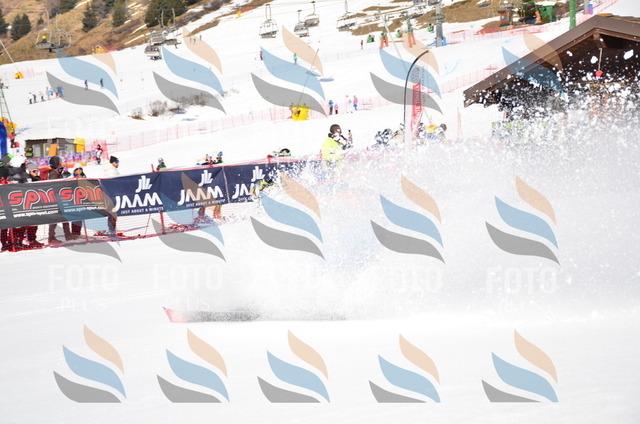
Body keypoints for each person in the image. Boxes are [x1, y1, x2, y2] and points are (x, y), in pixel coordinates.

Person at [46, 156, 71, 244]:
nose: (61, 164)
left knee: (65, 216)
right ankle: (51, 237)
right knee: (55, 218)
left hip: (60, 197)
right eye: (60, 163)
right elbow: (53, 184)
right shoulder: (53, 173)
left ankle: (68, 234)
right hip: (55, 198)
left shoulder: (57, 172)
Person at [104, 156, 120, 235]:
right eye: (116, 162)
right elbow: (113, 182)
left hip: (112, 194)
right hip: (111, 194)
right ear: (112, 163)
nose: (118, 163)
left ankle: (112, 228)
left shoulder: (112, 170)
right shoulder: (111, 171)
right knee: (112, 211)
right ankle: (111, 229)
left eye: (118, 162)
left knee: (113, 211)